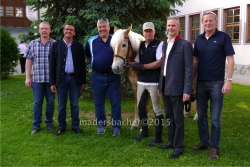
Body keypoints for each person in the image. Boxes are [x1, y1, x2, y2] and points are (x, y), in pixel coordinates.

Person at [192, 11, 235, 160]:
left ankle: (214, 147)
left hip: (217, 83)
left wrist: (228, 80)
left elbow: (230, 59)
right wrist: (192, 80)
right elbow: (196, 60)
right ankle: (204, 141)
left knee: (215, 118)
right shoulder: (199, 39)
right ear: (202, 23)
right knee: (201, 116)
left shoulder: (223, 37)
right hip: (201, 83)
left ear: (216, 22)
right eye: (205, 21)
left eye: (211, 21)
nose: (208, 23)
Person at [158, 16, 193, 159]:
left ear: (178, 27)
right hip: (166, 86)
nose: (170, 28)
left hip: (178, 87)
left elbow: (189, 69)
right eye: (168, 25)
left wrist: (187, 90)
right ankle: (171, 141)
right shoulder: (165, 44)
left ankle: (178, 146)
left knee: (178, 118)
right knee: (169, 116)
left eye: (173, 25)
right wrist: (160, 86)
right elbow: (163, 67)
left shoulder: (185, 45)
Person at [129, 22, 164, 147]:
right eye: (146, 31)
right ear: (143, 33)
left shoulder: (159, 44)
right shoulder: (141, 45)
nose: (148, 33)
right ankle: (144, 131)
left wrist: (143, 66)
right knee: (140, 107)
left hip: (153, 82)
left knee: (156, 109)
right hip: (141, 82)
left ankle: (158, 136)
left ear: (154, 32)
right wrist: (128, 62)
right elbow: (136, 61)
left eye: (150, 31)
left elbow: (159, 62)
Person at [85, 18, 122, 137]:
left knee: (115, 103)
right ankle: (101, 125)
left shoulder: (116, 39)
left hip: (113, 77)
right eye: (100, 27)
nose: (102, 29)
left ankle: (116, 127)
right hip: (97, 77)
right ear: (98, 28)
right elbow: (88, 56)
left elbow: (122, 54)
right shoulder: (91, 41)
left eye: (104, 26)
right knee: (98, 103)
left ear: (109, 27)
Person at [49, 23, 86, 136]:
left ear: (74, 33)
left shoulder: (78, 46)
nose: (68, 31)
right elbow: (52, 65)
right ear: (63, 31)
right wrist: (52, 82)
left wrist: (83, 81)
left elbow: (82, 65)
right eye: (66, 29)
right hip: (61, 79)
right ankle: (62, 127)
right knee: (61, 105)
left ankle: (75, 126)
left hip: (75, 79)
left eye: (71, 30)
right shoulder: (56, 45)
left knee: (74, 104)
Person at [24, 22, 56, 134]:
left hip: (50, 81)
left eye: (46, 28)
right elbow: (28, 61)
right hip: (37, 80)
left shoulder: (55, 44)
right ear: (38, 30)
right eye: (42, 28)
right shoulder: (32, 44)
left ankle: (49, 123)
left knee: (50, 102)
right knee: (37, 103)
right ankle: (36, 125)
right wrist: (28, 77)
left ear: (50, 30)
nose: (44, 30)